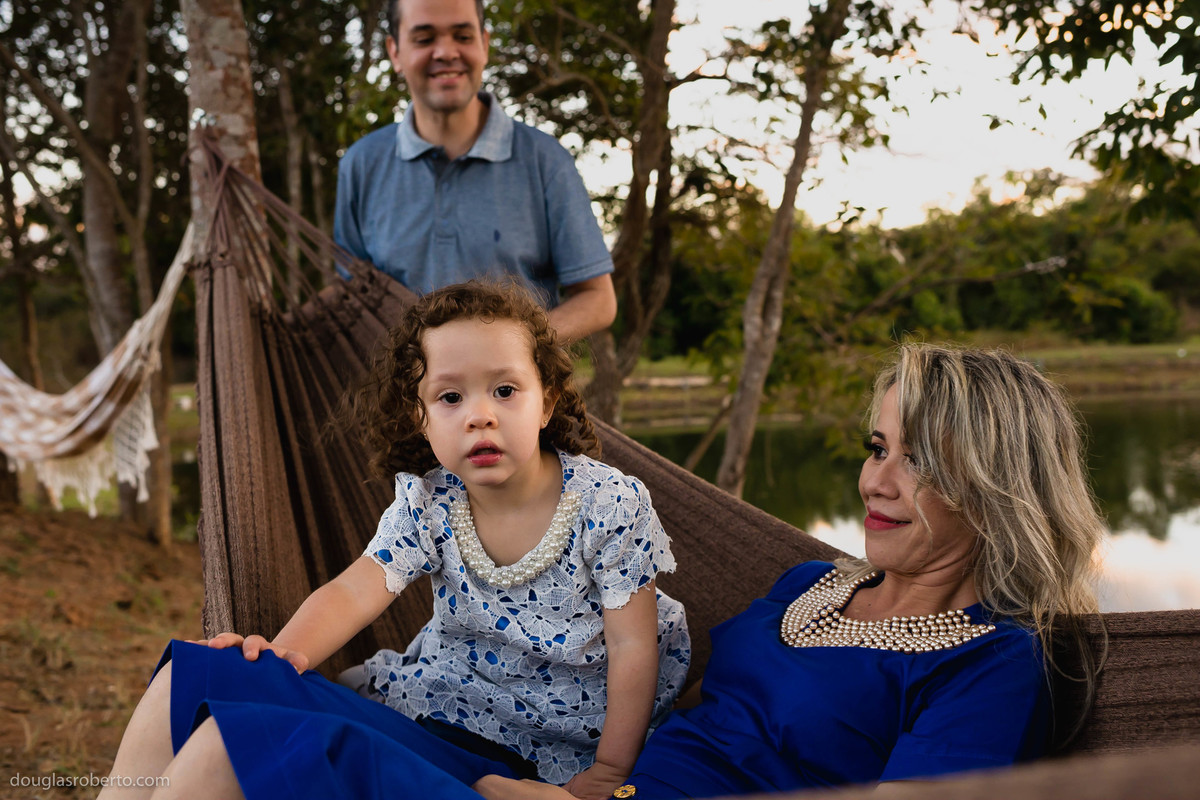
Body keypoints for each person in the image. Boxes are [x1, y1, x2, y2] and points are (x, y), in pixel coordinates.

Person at [99, 282, 689, 800]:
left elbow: (633, 647)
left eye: (505, 390)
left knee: (232, 746)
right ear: (422, 418)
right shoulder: (431, 501)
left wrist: (611, 770)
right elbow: (357, 589)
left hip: (543, 756)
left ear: (547, 402)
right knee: (196, 673)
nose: (479, 415)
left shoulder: (607, 504)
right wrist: (277, 661)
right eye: (450, 397)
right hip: (435, 714)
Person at [474, 343, 1107, 799]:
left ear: (996, 491)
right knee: (371, 733)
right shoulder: (808, 581)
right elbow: (684, 721)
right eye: (879, 448)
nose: (875, 483)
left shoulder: (993, 664)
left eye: (918, 462)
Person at [334, 0, 617, 343]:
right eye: (424, 39)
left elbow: (599, 300)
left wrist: (519, 349)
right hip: (401, 394)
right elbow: (350, 298)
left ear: (484, 44)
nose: (446, 52)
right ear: (395, 52)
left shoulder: (545, 160)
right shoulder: (362, 164)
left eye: (462, 36)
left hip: (511, 394)